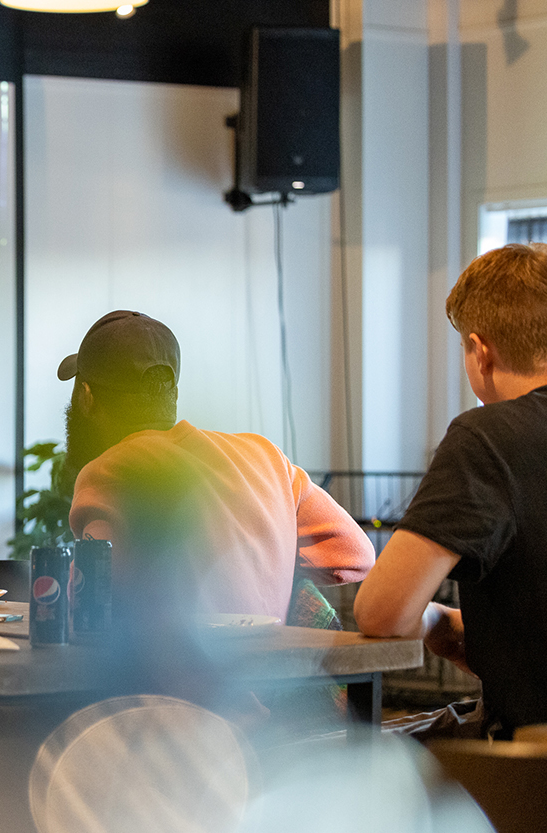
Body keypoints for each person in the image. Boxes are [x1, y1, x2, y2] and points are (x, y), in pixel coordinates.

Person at [60, 310, 375, 621]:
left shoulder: (109, 470)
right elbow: (354, 556)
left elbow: (90, 602)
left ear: (85, 397)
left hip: (170, 670)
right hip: (272, 666)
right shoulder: (264, 455)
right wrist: (257, 557)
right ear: (173, 393)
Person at [355, 243, 547, 737]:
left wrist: (439, 622)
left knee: (325, 765)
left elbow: (383, 613)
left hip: (526, 764)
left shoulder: (489, 437)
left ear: (480, 352)